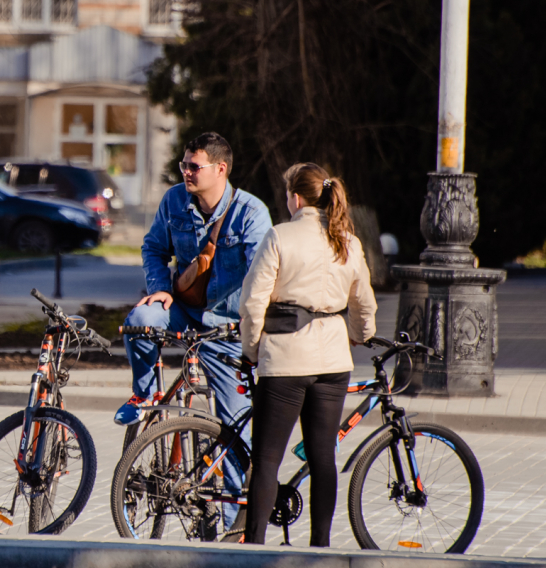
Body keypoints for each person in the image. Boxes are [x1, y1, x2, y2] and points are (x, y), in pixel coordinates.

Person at [115, 131, 272, 528]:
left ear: (221, 169)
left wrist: (253, 327)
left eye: (193, 166)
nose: (185, 171)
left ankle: (237, 524)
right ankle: (145, 396)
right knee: (140, 320)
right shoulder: (174, 201)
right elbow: (153, 248)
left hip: (227, 330)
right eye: (183, 164)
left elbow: (263, 276)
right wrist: (160, 291)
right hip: (182, 312)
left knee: (235, 431)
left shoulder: (251, 213)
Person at [239, 162, 377, 547]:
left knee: (267, 458)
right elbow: (364, 306)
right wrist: (356, 336)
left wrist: (251, 351)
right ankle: (321, 547)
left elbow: (253, 304)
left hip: (284, 360)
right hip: (333, 363)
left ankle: (254, 547)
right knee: (322, 458)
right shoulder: (347, 241)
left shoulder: (279, 236)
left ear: (296, 197)